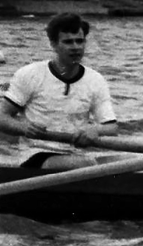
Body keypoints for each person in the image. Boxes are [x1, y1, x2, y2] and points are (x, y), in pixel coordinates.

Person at [0, 12, 118, 170]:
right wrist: (24, 128)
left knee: (133, 161)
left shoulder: (95, 80)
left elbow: (111, 127)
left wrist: (95, 129)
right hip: (36, 154)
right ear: (54, 45)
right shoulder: (30, 74)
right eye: (68, 42)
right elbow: (2, 116)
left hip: (75, 155)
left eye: (80, 41)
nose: (76, 47)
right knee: (85, 165)